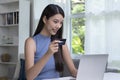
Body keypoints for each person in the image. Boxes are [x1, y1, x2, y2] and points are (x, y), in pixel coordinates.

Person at [24, 4, 77, 80]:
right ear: (45, 19)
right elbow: (29, 77)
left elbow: (73, 71)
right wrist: (48, 53)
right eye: (55, 22)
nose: (58, 26)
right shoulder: (31, 42)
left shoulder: (61, 42)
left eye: (61, 23)